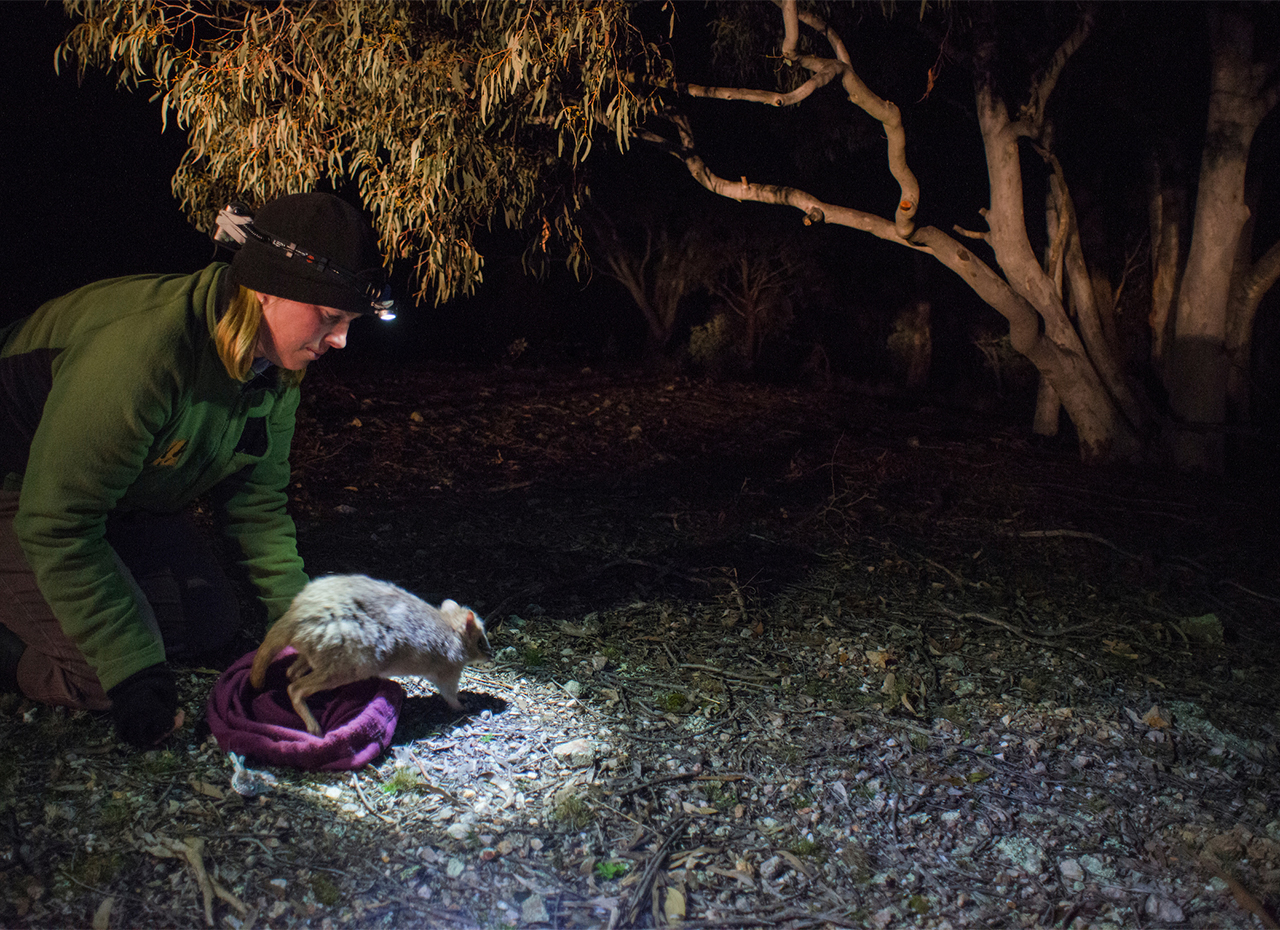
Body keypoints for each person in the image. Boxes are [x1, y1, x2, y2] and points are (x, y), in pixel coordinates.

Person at [0, 192, 395, 748]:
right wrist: (132, 671)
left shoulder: (275, 370)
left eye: (350, 322)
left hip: (119, 499)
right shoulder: (147, 352)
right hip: (21, 489)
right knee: (110, 672)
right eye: (330, 318)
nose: (340, 340)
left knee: (209, 623)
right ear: (266, 291)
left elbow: (257, 508)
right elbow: (58, 520)